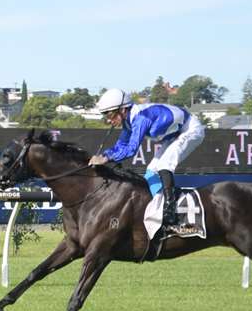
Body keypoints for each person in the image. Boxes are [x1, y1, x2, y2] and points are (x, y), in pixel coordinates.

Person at [87, 88, 206, 230]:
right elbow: (121, 144)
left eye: (110, 114)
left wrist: (107, 159)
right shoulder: (129, 121)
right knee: (150, 172)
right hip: (174, 135)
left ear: (123, 109)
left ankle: (172, 211)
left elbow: (131, 149)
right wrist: (104, 155)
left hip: (190, 130)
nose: (108, 119)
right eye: (105, 114)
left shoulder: (141, 119)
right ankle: (161, 209)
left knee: (164, 164)